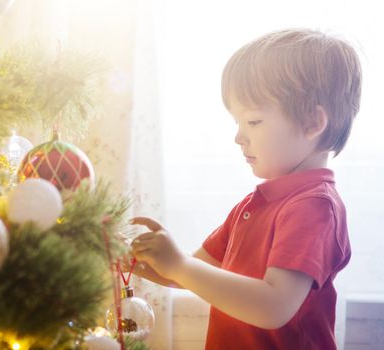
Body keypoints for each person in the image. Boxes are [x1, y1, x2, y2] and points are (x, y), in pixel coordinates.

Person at [129, 28, 361, 349]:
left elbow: (273, 306)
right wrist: (140, 259)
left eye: (252, 122)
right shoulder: (256, 203)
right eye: (237, 123)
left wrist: (179, 265)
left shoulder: (313, 207)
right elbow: (191, 272)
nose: (239, 137)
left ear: (312, 123)